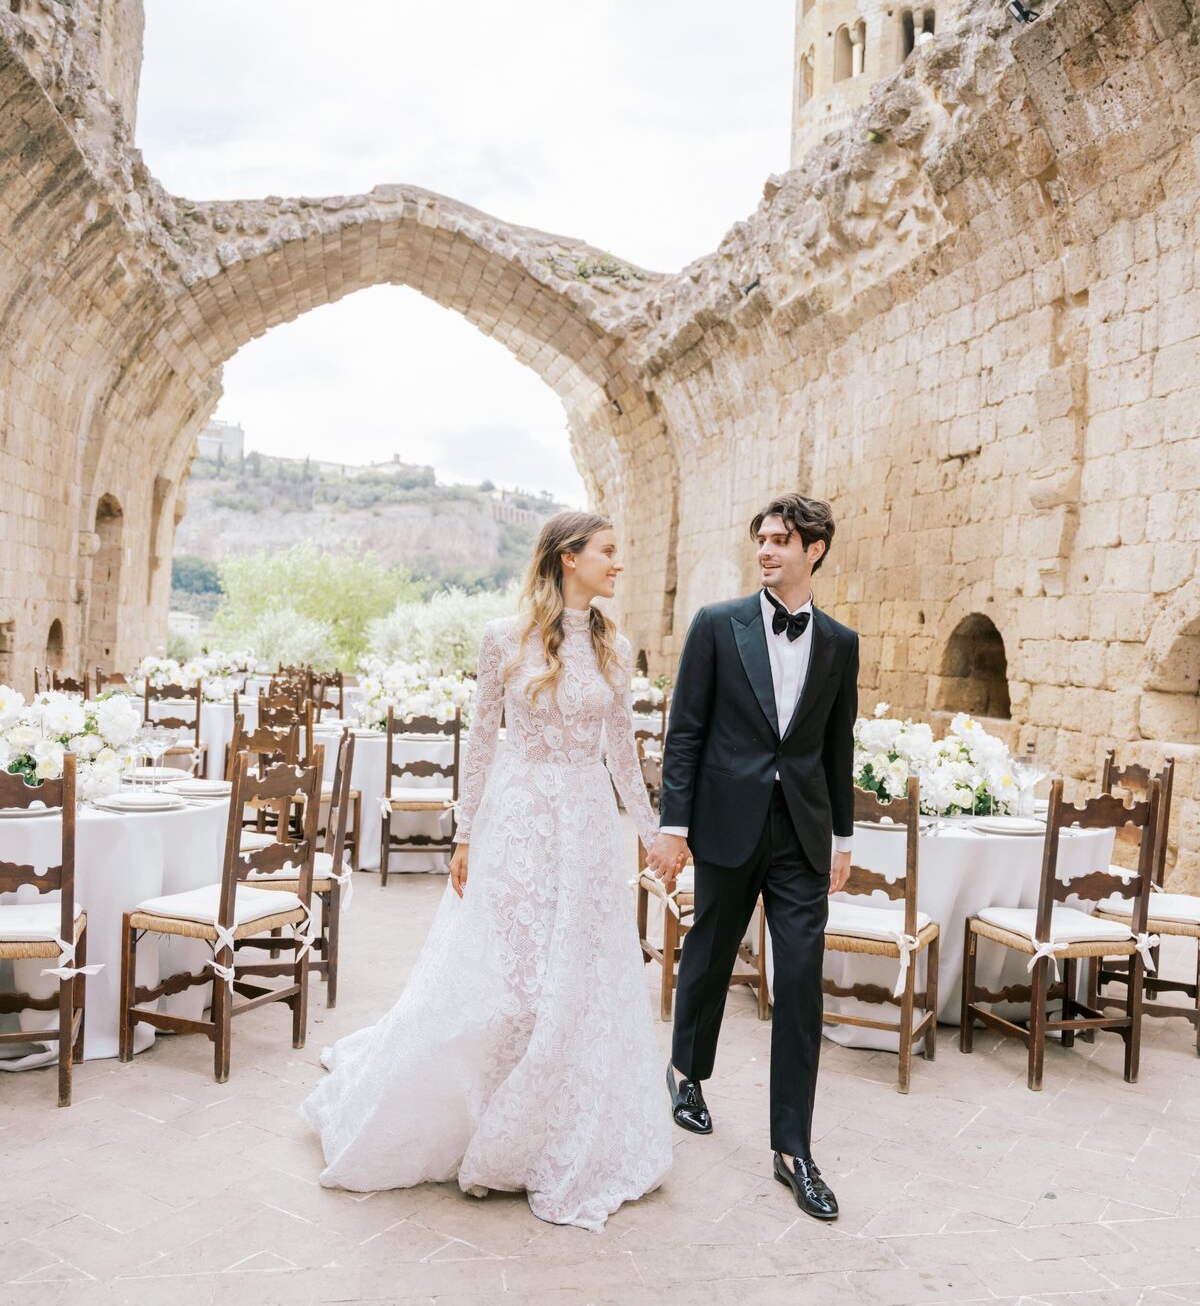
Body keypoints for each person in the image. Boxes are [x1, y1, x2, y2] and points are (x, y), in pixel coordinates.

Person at [301, 511, 671, 1232]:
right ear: (569, 559)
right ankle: (485, 1108)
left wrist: (654, 835)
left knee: (581, 970)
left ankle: (558, 1119)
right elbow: (480, 744)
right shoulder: (504, 638)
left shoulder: (614, 646)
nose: (617, 564)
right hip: (521, 818)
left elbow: (622, 751)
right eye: (607, 553)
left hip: (590, 825)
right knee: (514, 967)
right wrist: (465, 836)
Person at [645, 492, 858, 1221]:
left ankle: (792, 1149)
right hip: (727, 822)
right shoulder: (715, 626)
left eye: (781, 541)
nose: (767, 551)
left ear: (815, 550)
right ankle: (686, 1072)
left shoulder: (839, 642)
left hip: (801, 833)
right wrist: (674, 825)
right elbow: (686, 732)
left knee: (799, 981)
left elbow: (838, 746)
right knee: (709, 950)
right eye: (762, 540)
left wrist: (844, 839)